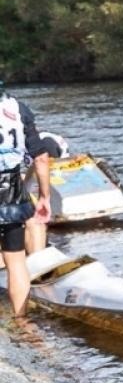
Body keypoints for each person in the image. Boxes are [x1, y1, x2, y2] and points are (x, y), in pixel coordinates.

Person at [0, 78, 53, 317]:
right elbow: (41, 157)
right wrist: (45, 197)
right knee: (17, 261)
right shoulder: (19, 109)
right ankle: (21, 318)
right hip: (11, 190)